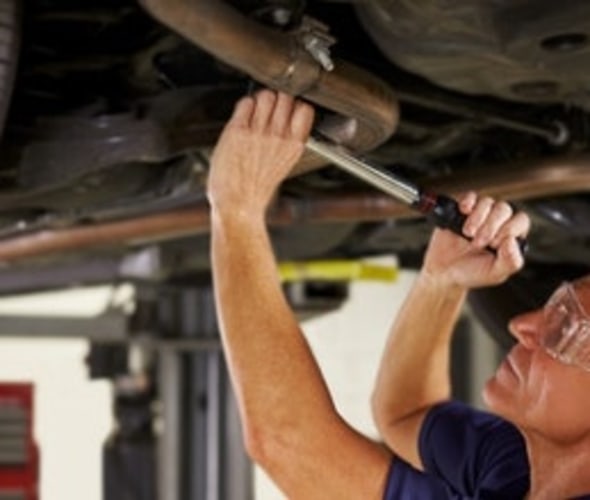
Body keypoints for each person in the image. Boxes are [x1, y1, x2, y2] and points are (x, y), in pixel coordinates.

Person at [206, 88, 590, 499]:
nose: (520, 325)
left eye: (564, 328)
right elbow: (406, 413)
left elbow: (289, 444)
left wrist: (237, 208)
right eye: (552, 309)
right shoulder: (515, 471)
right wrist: (441, 282)